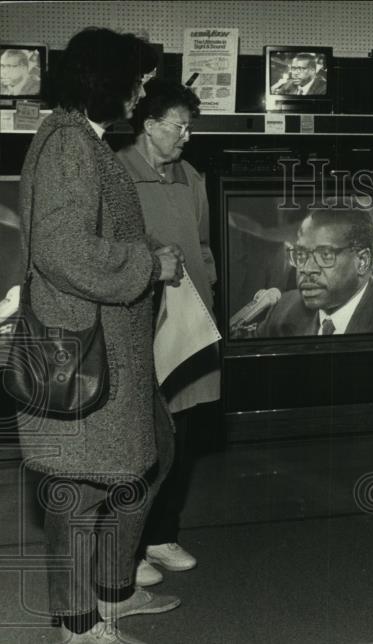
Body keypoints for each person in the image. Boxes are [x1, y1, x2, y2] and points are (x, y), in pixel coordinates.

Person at [16, 28, 183, 644]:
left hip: (107, 349)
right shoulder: (68, 144)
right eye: (137, 80)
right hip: (83, 350)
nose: (142, 93)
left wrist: (141, 254)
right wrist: (147, 264)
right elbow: (63, 250)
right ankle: (79, 624)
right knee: (75, 493)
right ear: (107, 80)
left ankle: (113, 589)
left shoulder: (82, 140)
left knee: (154, 450)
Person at [117, 78, 219, 589]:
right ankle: (128, 548)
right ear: (150, 125)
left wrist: (213, 297)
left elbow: (202, 247)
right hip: (142, 332)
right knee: (143, 439)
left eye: (190, 127)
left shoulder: (189, 176)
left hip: (192, 331)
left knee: (185, 435)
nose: (187, 137)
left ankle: (161, 533)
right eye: (180, 127)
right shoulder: (117, 175)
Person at [254, 209, 373, 337]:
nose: (307, 269)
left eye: (325, 255)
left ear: (363, 261)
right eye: (301, 255)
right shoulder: (283, 309)